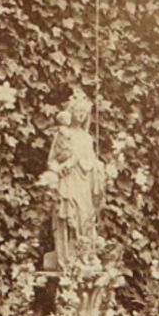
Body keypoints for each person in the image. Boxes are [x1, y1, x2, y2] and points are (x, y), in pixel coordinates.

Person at [42, 87, 110, 272]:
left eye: (83, 112)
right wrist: (59, 169)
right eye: (77, 111)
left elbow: (91, 161)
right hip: (68, 182)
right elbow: (51, 161)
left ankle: (84, 254)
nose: (80, 115)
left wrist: (98, 168)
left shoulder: (87, 138)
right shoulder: (63, 134)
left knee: (85, 218)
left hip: (84, 183)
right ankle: (68, 257)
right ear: (71, 112)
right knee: (68, 215)